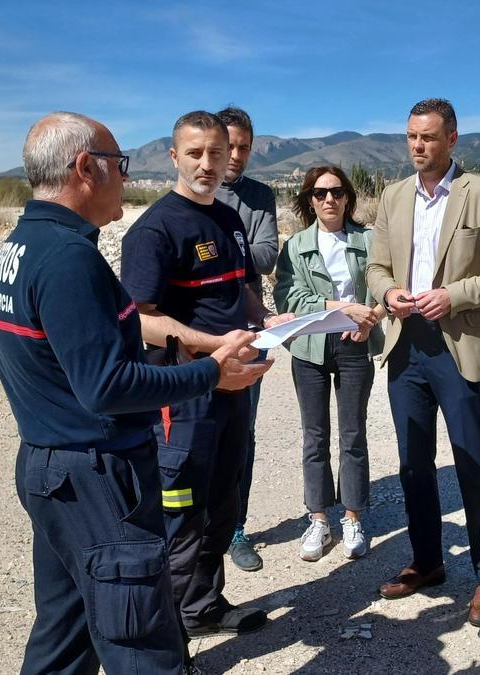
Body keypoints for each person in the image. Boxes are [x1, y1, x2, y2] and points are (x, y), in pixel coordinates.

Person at [0, 111, 267, 675]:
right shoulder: (68, 258)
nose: (125, 175)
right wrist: (211, 371)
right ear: (85, 167)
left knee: (65, 639)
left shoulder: (25, 243)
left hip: (54, 468)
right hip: (94, 477)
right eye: (119, 163)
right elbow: (107, 384)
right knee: (144, 645)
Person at [119, 110, 292, 640]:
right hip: (185, 393)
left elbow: (237, 290)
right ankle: (168, 641)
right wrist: (217, 346)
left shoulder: (229, 220)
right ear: (174, 157)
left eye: (216, 153)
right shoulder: (155, 229)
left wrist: (267, 320)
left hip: (234, 384)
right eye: (195, 153)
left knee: (222, 502)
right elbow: (142, 319)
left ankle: (204, 605)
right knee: (181, 514)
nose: (207, 163)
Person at [365, 98, 480, 626]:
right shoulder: (393, 195)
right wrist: (388, 296)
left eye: (428, 137)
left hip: (457, 344)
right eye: (411, 137)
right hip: (406, 344)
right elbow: (377, 267)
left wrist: (454, 294)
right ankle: (427, 562)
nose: (418, 147)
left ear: (452, 139)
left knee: (472, 461)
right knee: (412, 464)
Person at [273, 166, 384, 562]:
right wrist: (339, 307)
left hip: (354, 345)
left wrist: (369, 317)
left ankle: (353, 517)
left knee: (353, 434)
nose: (329, 200)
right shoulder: (296, 245)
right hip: (309, 350)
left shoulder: (368, 240)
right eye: (320, 193)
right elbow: (289, 296)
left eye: (336, 192)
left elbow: (382, 287)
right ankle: (319, 519)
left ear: (348, 197)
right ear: (309, 200)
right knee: (314, 436)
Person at [214, 107, 279, 574]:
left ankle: (236, 528)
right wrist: (237, 249)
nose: (236, 156)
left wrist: (215, 249)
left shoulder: (260, 196)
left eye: (244, 148)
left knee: (243, 432)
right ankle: (197, 527)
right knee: (194, 429)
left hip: (248, 326)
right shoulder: (194, 192)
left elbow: (268, 253)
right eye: (229, 146)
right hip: (200, 330)